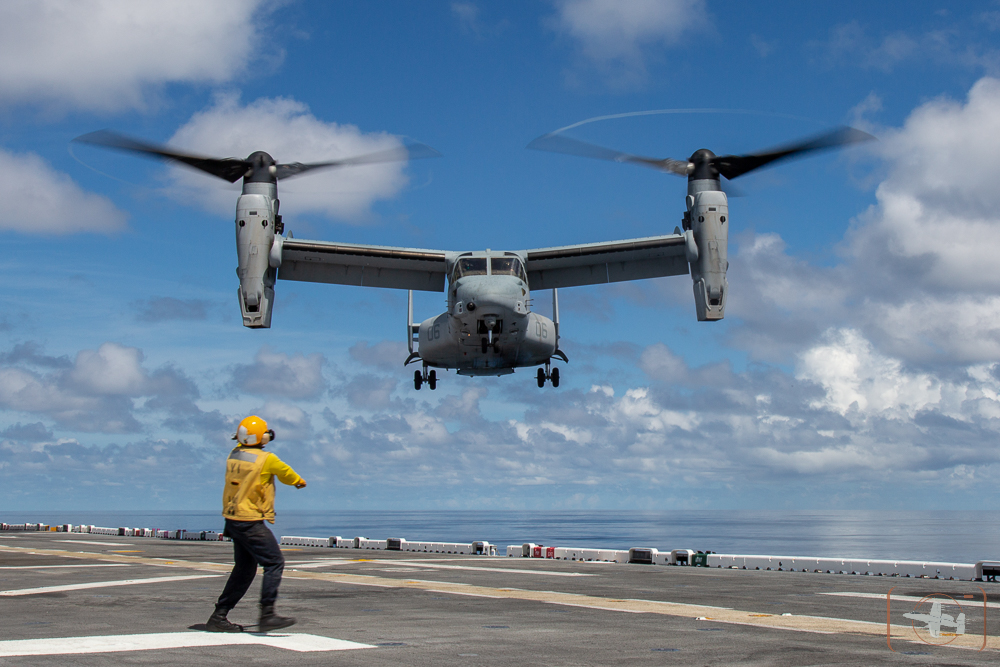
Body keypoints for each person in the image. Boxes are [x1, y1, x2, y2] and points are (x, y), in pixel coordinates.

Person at [206, 415, 307, 633]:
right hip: (250, 521)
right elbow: (286, 473)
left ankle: (218, 616)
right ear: (262, 437)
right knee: (274, 562)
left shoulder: (234, 455)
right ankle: (267, 614)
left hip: (233, 519)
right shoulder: (265, 458)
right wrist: (299, 481)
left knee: (244, 569)